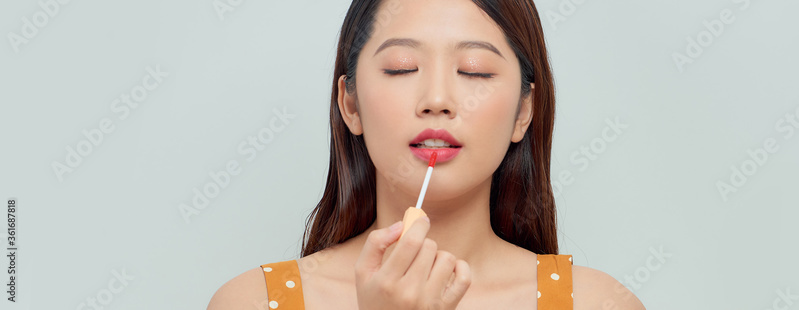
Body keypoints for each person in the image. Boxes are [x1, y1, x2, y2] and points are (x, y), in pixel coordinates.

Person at [208, 0, 645, 308]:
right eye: (401, 67)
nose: (437, 99)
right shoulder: (255, 302)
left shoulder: (597, 303)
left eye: (475, 70)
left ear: (523, 111)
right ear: (350, 105)